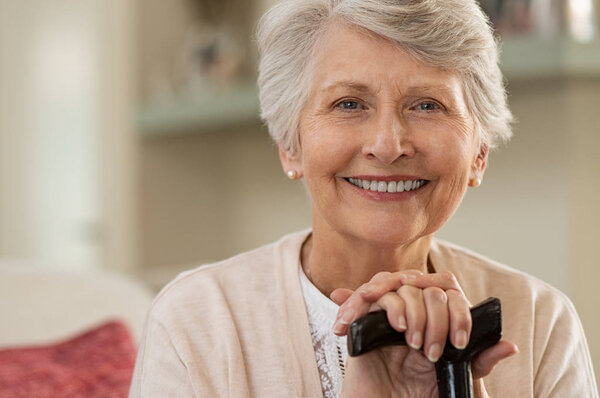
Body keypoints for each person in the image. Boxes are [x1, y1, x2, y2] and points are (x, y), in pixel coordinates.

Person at [129, 0, 598, 396]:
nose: (388, 144)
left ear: (479, 153)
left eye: (427, 105)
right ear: (290, 145)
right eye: (349, 104)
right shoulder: (196, 321)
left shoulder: (541, 321)